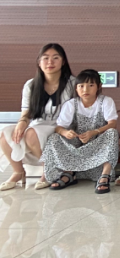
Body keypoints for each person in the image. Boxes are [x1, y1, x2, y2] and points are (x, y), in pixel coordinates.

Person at [0, 44, 76, 191]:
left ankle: (48, 170)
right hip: (37, 124)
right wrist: (22, 123)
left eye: (55, 58)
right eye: (45, 58)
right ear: (39, 62)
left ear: (63, 61)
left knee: (31, 134)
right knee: (5, 134)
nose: (50, 62)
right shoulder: (31, 85)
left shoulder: (72, 83)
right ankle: (18, 172)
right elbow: (26, 113)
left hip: (61, 126)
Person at [42, 69, 120, 194]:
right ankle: (69, 172)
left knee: (112, 133)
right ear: (76, 88)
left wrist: (93, 132)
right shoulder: (71, 104)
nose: (85, 90)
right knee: (54, 138)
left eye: (91, 85)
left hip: (97, 144)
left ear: (99, 86)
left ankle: (105, 174)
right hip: (76, 143)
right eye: (81, 86)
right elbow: (59, 127)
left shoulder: (106, 101)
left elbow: (112, 124)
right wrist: (65, 133)